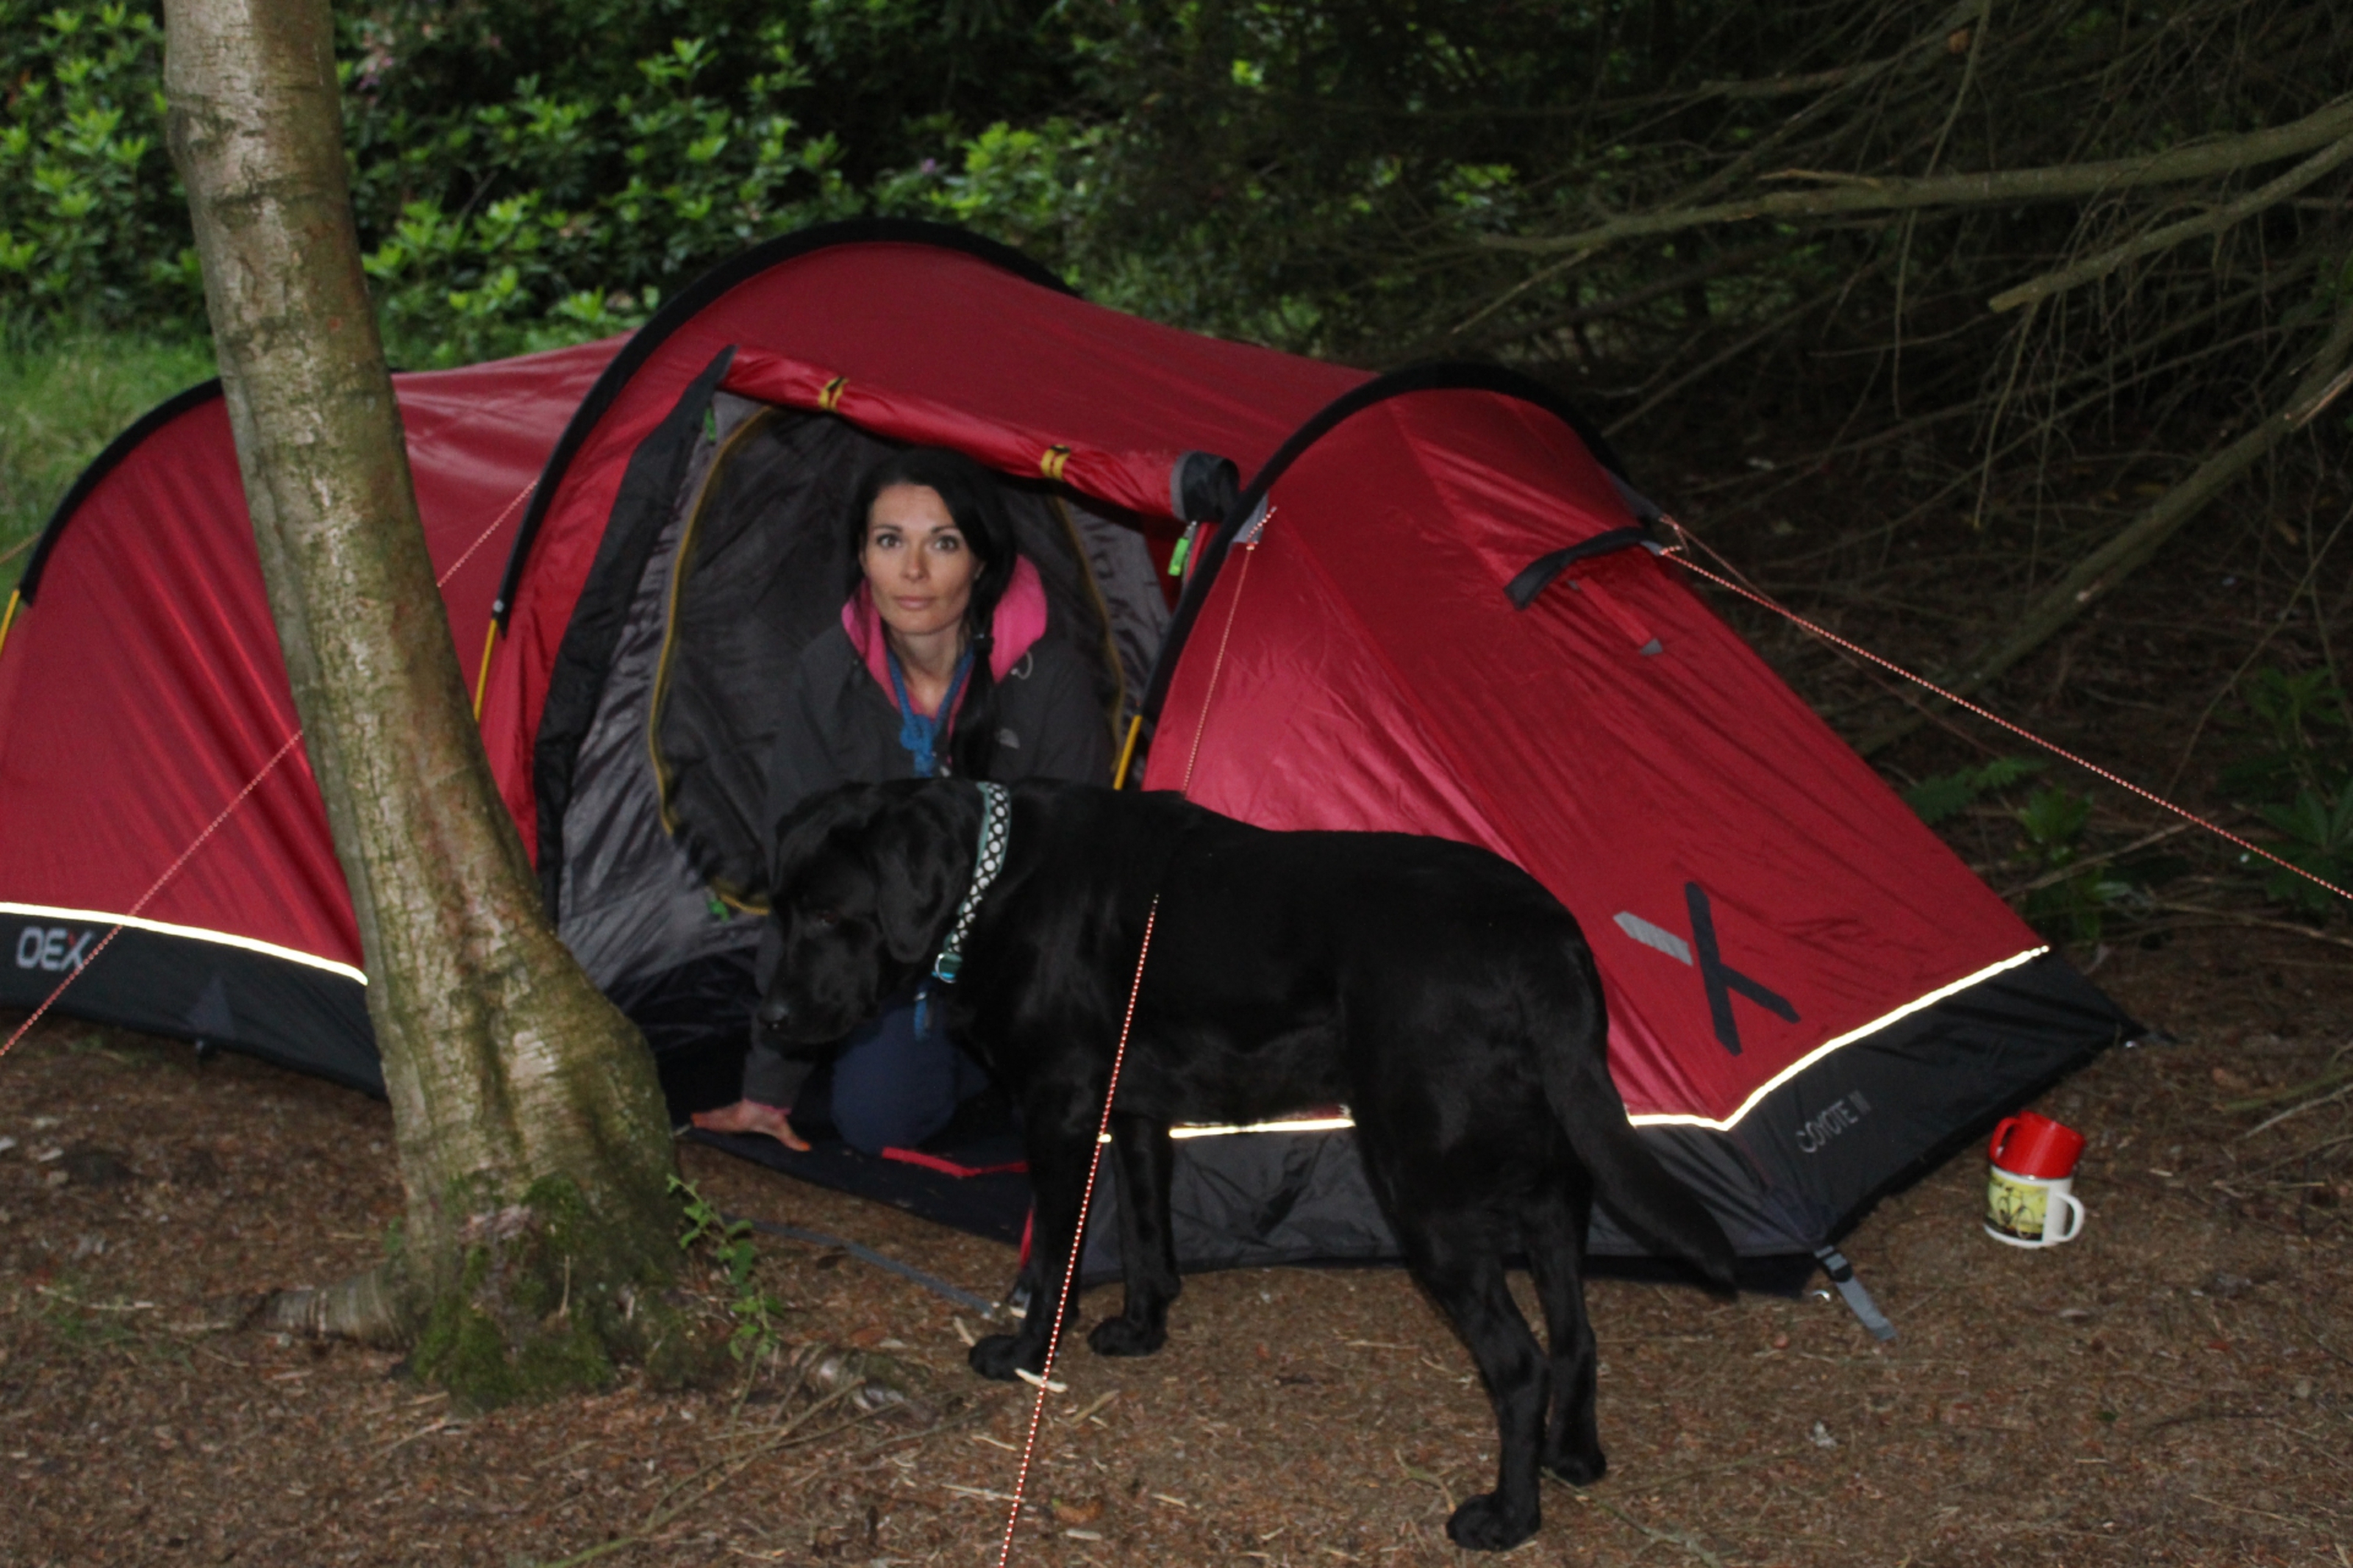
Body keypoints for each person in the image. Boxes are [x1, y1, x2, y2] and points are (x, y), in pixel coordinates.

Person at [690, 446, 1113, 1153]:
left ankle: (999, 1060)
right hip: (897, 972)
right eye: (890, 541)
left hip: (1025, 961)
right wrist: (770, 1086)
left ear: (981, 559)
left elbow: (1081, 882)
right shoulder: (829, 675)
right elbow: (799, 875)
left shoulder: (1048, 683)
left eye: (942, 543)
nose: (912, 572)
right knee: (878, 1125)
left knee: (1054, 1124)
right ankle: (954, 1060)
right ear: (862, 555)